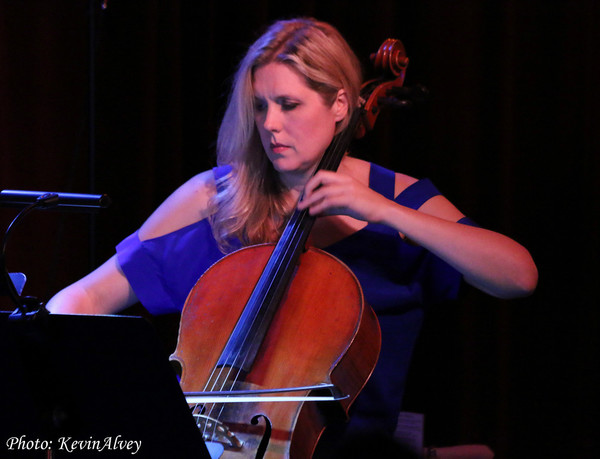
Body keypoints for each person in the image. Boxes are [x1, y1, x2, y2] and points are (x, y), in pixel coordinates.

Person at [46, 17, 537, 455]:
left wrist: (384, 211)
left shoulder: (396, 197)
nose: (270, 124)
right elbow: (80, 299)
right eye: (260, 106)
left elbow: (518, 275)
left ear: (342, 104)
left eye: (289, 104)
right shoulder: (215, 196)